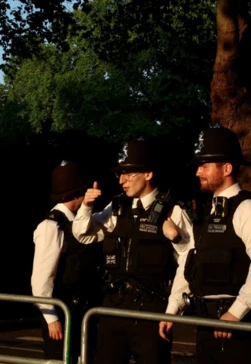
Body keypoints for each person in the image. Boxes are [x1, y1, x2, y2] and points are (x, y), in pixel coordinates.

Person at [159, 126, 251, 364]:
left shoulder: (250, 209)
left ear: (227, 168)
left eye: (204, 165)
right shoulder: (207, 213)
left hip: (241, 328)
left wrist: (236, 312)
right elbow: (191, 262)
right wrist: (173, 309)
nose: (197, 172)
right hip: (207, 324)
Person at [71, 138, 194, 364]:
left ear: (148, 174)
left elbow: (189, 260)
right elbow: (83, 234)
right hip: (113, 306)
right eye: (119, 174)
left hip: (150, 311)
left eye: (129, 173)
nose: (122, 180)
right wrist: (86, 207)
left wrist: (173, 309)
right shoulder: (117, 207)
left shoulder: (172, 210)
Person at [31, 160, 103, 364]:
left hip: (81, 310)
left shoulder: (75, 223)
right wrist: (51, 318)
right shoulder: (51, 226)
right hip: (63, 312)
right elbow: (41, 278)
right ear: (78, 194)